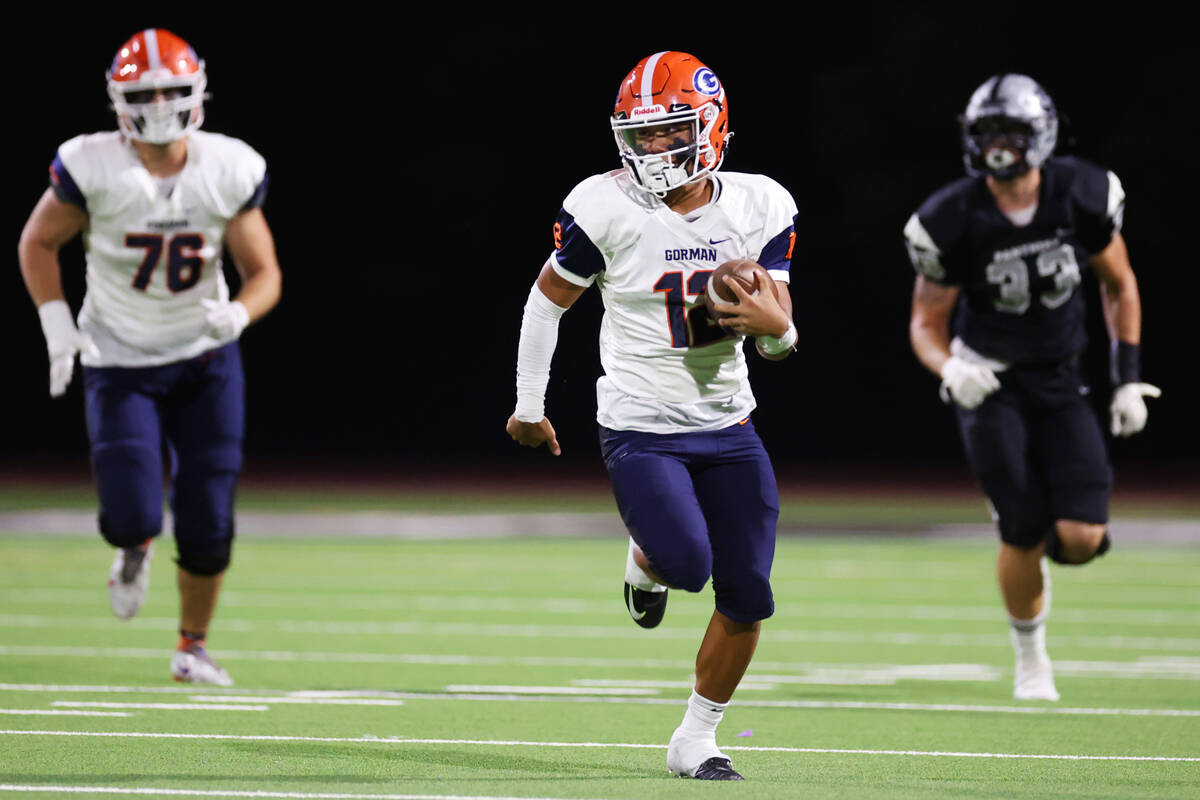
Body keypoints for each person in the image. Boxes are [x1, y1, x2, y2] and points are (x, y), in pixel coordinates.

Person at [506, 51, 799, 779]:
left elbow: (779, 342)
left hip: (729, 423)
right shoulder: (603, 205)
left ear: (711, 127)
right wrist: (528, 404)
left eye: (669, 133)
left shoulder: (761, 204)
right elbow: (548, 301)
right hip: (640, 424)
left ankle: (696, 738)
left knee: (749, 594)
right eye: (641, 135)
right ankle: (646, 559)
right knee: (686, 564)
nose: (652, 150)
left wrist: (781, 331)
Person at [17, 28, 282, 686]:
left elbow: (266, 272)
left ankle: (191, 646)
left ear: (196, 93)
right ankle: (133, 548)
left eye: (171, 89)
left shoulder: (228, 166)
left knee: (209, 521)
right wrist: (56, 322)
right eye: (145, 92)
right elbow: (36, 242)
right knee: (132, 514)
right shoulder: (90, 164)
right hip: (121, 356)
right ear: (119, 99)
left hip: (204, 358)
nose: (160, 103)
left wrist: (240, 312)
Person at [904, 73, 1158, 701]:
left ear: (1039, 134)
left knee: (1079, 539)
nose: (998, 144)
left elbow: (1119, 284)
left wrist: (1126, 380)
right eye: (988, 132)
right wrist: (952, 370)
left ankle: (1027, 514)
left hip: (1062, 377)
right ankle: (1032, 661)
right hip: (989, 382)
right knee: (1021, 528)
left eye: (1010, 131)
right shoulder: (951, 216)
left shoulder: (1082, 193)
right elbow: (925, 322)